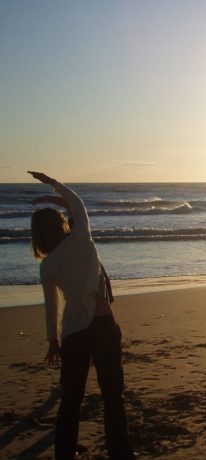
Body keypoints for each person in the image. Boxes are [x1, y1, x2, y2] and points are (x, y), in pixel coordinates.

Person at [28, 171, 134, 459]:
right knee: (113, 396)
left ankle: (65, 453)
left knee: (71, 399)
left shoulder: (47, 265)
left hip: (73, 332)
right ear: (61, 224)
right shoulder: (81, 239)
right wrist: (51, 185)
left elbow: (52, 306)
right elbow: (77, 203)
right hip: (102, 324)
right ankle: (120, 453)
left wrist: (52, 341)